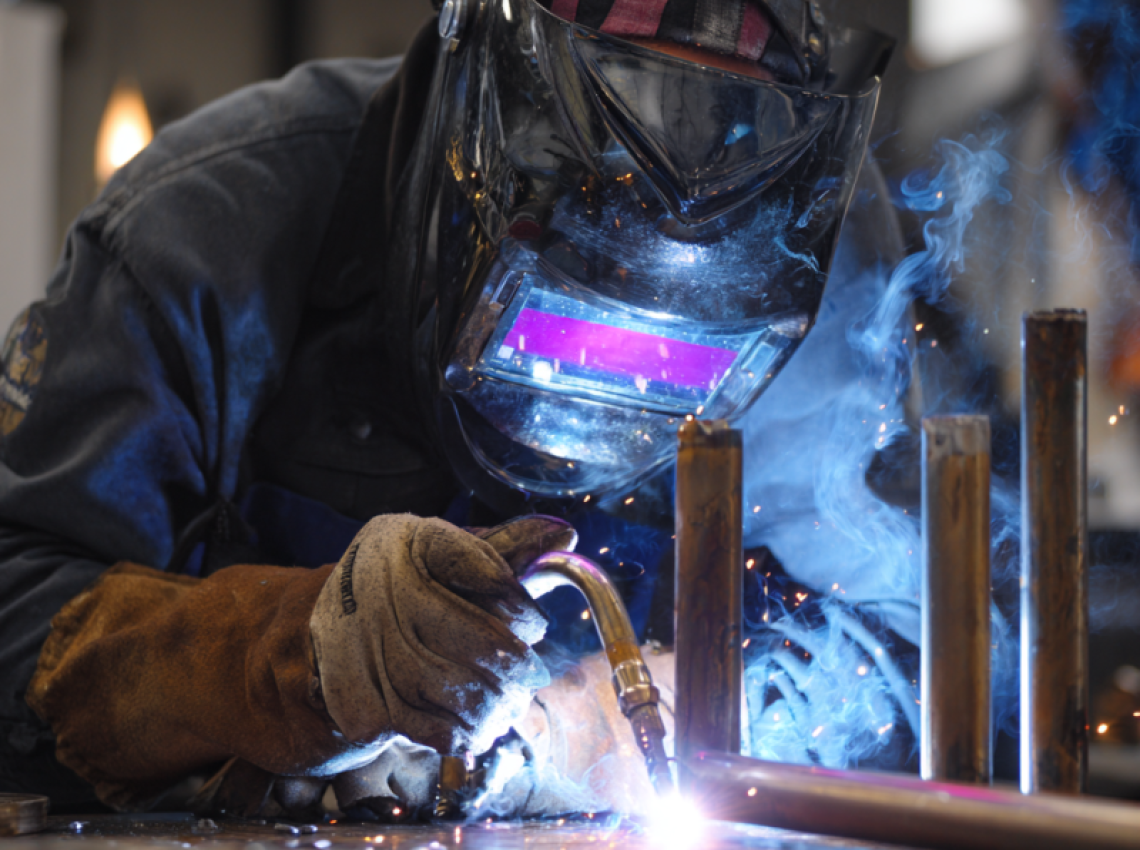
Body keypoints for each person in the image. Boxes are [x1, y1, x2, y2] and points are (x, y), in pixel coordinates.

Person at [0, 0, 889, 818]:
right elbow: (17, 597)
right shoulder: (201, 235)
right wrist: (283, 659)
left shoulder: (804, 271)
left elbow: (894, 643)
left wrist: (575, 733)